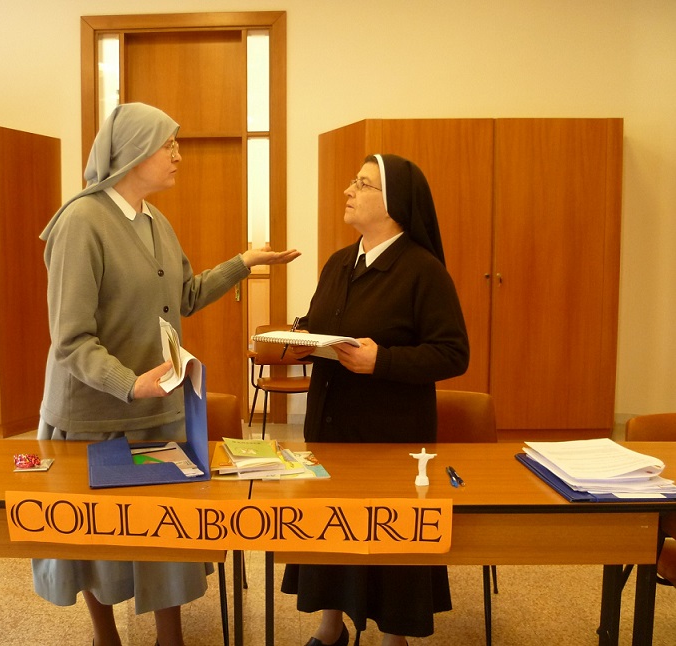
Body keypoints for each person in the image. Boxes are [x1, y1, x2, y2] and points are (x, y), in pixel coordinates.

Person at [33, 102, 299, 646]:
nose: (178, 155)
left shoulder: (154, 219)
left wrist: (244, 263)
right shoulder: (81, 222)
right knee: (100, 541)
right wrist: (130, 384)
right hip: (96, 414)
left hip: (158, 406)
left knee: (164, 536)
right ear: (132, 153)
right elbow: (71, 339)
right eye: (168, 145)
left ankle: (168, 638)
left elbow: (186, 295)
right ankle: (106, 636)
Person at [280, 154, 470, 646]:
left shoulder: (422, 270)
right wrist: (301, 338)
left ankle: (393, 638)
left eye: (362, 184)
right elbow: (323, 322)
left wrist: (381, 360)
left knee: (388, 533)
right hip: (329, 426)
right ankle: (330, 627)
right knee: (331, 526)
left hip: (390, 432)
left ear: (394, 204)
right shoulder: (339, 262)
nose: (349, 191)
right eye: (353, 182)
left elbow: (453, 353)